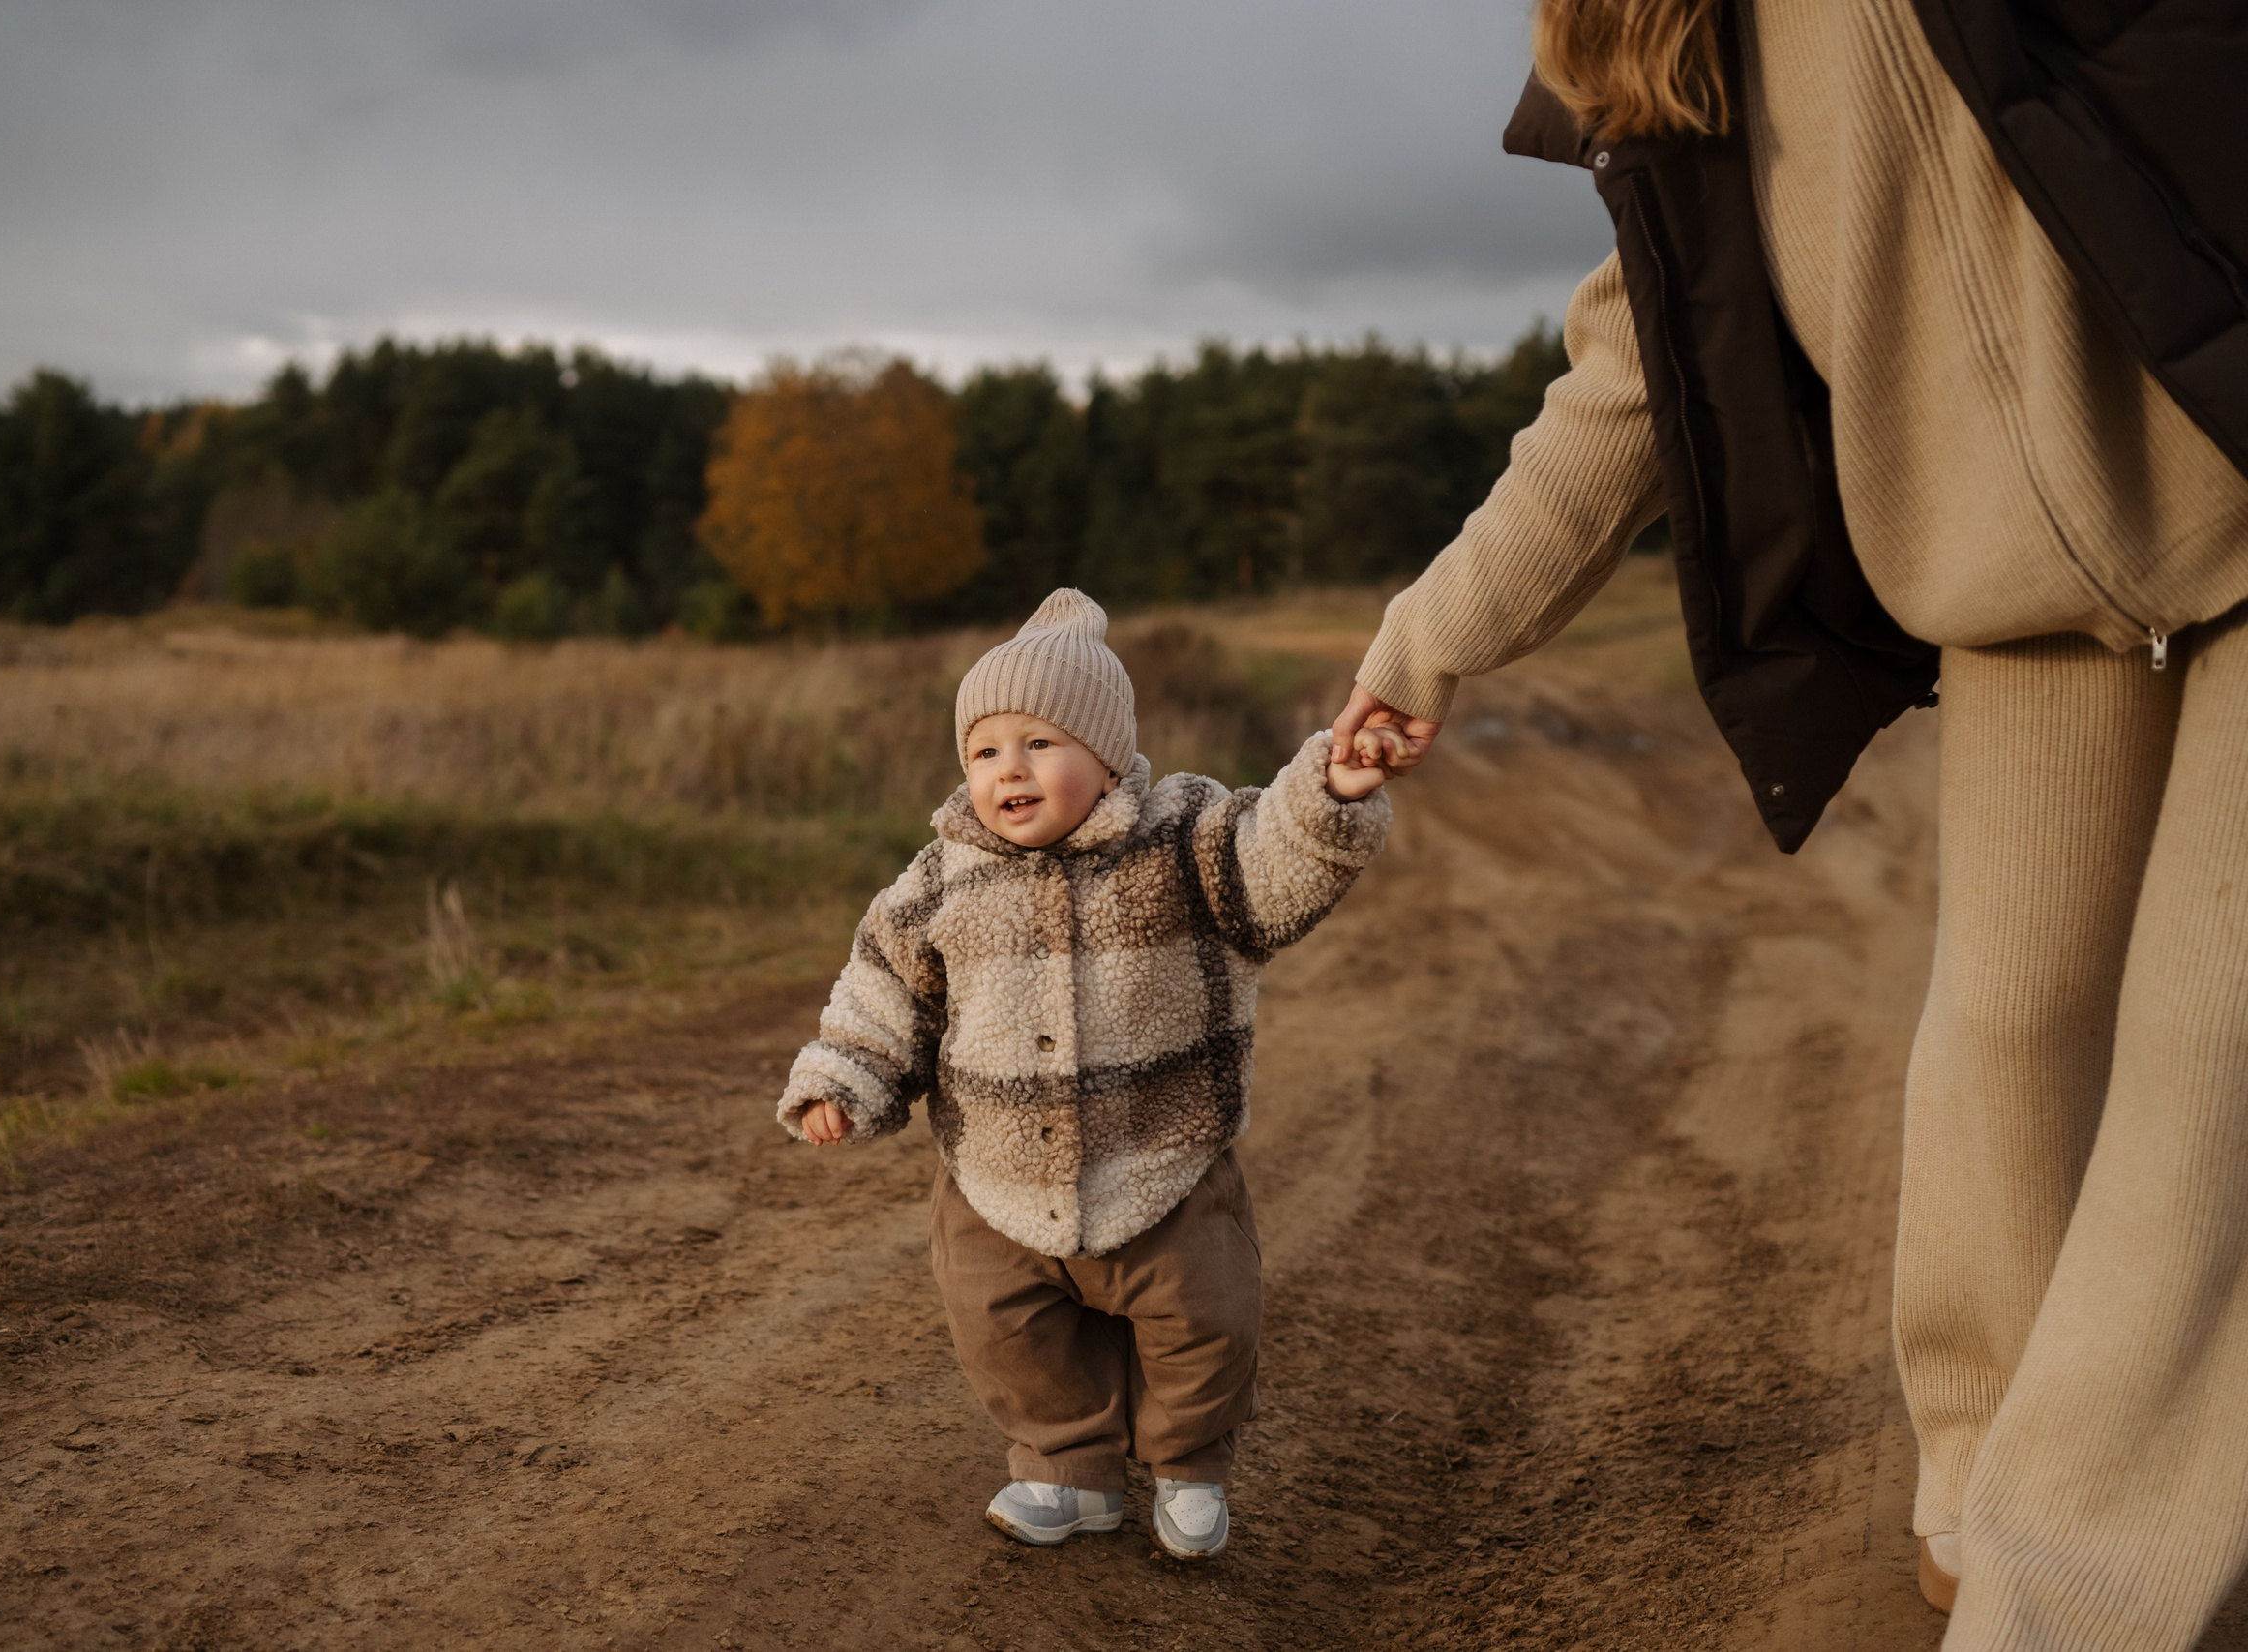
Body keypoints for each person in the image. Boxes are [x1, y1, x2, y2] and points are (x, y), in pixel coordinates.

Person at [1330, 0, 2248, 1645]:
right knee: (2010, 1028)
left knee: (2207, 1074)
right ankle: (1974, 1494)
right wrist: (1429, 635)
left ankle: (2072, 1601)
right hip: (2017, 598)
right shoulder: (1664, 34)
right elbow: (1636, 370)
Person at [778, 587, 1410, 1562]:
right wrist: (844, 1078)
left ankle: (1188, 1465)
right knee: (1005, 1326)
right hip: (993, 1179)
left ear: (1107, 754)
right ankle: (1067, 1470)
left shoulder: (1181, 841)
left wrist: (1327, 788)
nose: (1008, 770)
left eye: (1039, 743)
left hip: (1163, 1160)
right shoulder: (939, 880)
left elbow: (1272, 856)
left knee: (1204, 1320)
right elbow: (881, 993)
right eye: (985, 751)